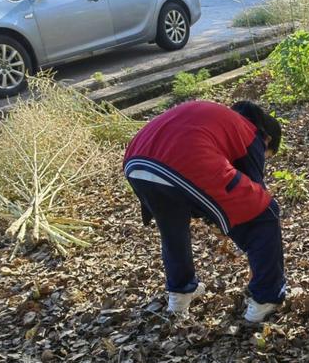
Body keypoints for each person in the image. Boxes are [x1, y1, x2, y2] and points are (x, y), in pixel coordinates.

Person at [123, 100, 286, 322]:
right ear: (267, 140)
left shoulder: (220, 119)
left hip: (137, 162)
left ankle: (180, 295)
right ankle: (265, 298)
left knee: (173, 230)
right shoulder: (252, 133)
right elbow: (253, 198)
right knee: (265, 214)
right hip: (182, 161)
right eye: (268, 156)